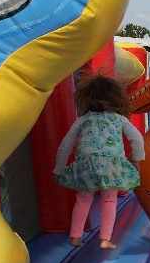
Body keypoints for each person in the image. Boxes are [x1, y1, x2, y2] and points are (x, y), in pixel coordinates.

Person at [53, 74, 144, 249]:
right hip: (111, 166)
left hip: (86, 165)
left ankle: (75, 237)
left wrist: (58, 169)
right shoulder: (119, 119)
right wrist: (136, 160)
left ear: (87, 98)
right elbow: (137, 139)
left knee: (83, 199)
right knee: (109, 200)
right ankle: (105, 239)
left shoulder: (83, 120)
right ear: (116, 98)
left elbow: (66, 145)